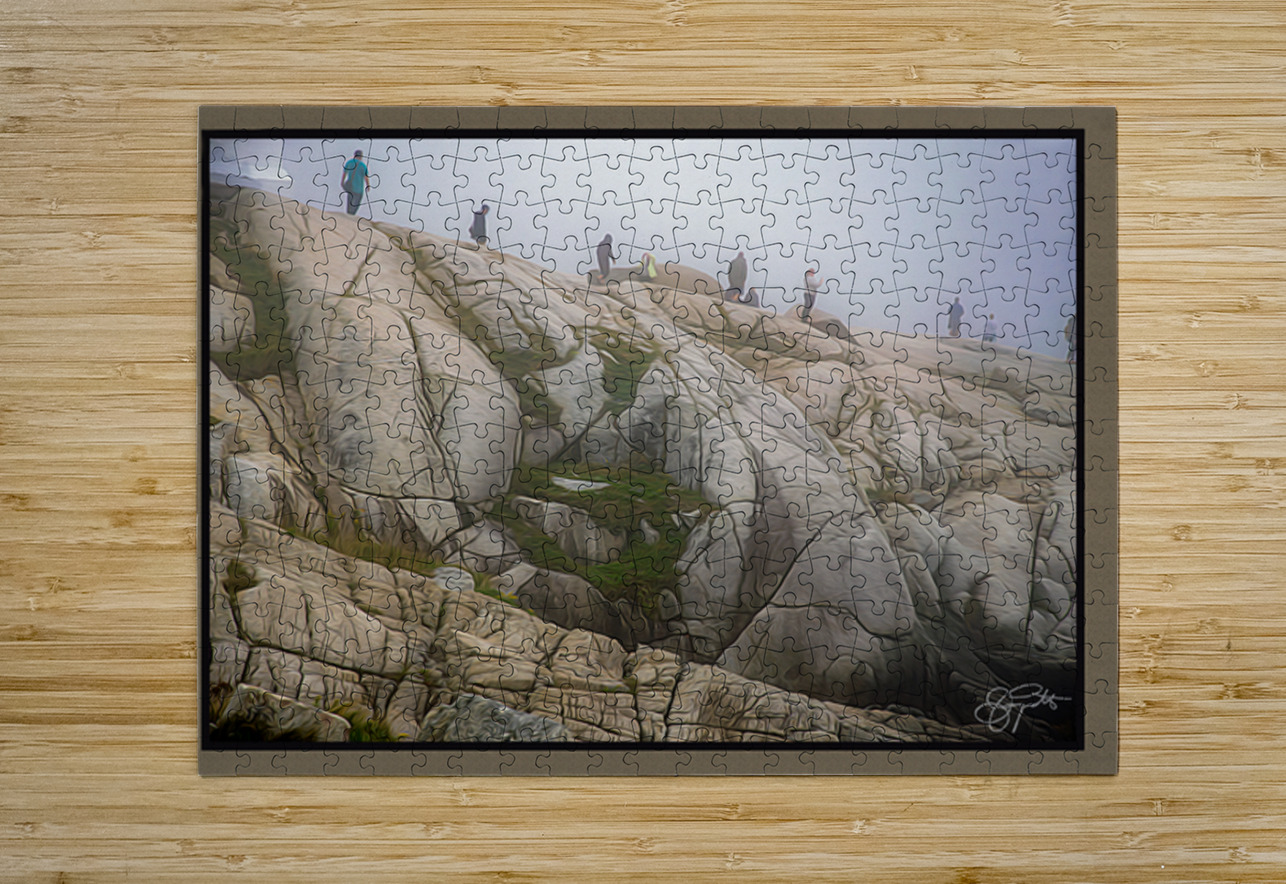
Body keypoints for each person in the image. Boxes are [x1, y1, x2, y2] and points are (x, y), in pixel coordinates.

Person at [340, 150, 369, 215]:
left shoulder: (349, 162)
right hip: (359, 189)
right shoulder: (363, 165)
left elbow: (344, 173)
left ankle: (348, 215)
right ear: (361, 156)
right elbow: (366, 177)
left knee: (349, 202)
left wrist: (342, 182)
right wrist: (368, 186)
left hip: (350, 187)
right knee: (356, 204)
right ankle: (351, 216)